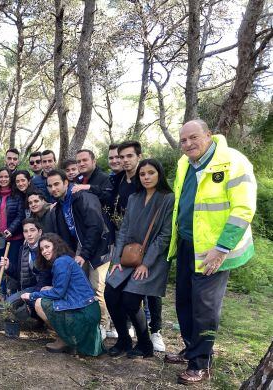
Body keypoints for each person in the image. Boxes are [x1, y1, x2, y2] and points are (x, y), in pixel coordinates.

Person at [164, 120, 257, 385]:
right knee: (184, 301)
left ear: (209, 135)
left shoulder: (233, 161)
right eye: (183, 140)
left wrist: (221, 249)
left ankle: (201, 364)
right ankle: (190, 349)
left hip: (215, 250)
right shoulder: (185, 163)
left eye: (194, 137)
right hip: (186, 244)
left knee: (204, 308)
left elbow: (243, 209)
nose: (188, 144)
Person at [105, 159, 174, 359]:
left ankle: (145, 344)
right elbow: (124, 229)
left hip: (153, 259)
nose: (146, 177)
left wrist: (146, 263)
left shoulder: (168, 198)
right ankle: (124, 340)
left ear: (159, 174)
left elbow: (165, 236)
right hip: (128, 256)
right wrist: (117, 259)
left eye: (150, 173)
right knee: (111, 293)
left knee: (130, 299)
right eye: (142, 174)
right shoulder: (135, 198)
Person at [44, 169, 111, 336]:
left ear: (66, 183)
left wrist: (84, 254)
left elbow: (95, 227)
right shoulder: (59, 207)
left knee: (97, 288)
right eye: (50, 186)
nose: (53, 188)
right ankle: (88, 325)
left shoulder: (83, 197)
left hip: (98, 250)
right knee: (82, 288)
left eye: (57, 184)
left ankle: (103, 326)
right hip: (79, 251)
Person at [20, 233, 104, 356]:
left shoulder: (61, 262)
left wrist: (31, 295)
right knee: (44, 292)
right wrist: (50, 288)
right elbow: (66, 287)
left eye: (47, 247)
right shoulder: (64, 260)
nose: (44, 251)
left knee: (39, 303)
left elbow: (59, 292)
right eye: (42, 249)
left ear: (56, 246)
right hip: (87, 307)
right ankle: (67, 338)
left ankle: (65, 338)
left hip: (84, 311)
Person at [0, 167, 25, 295]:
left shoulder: (17, 195)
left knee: (11, 266)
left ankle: (13, 295)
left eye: (6, 177)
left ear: (10, 178)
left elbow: (20, 215)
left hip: (14, 238)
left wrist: (11, 229)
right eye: (1, 177)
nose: (3, 179)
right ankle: (1, 295)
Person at [0, 219, 51, 305]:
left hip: (45, 290)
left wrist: (31, 296)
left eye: (32, 230)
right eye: (25, 231)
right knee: (8, 304)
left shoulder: (46, 250)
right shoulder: (23, 249)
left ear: (40, 232)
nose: (29, 234)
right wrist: (9, 267)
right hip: (27, 289)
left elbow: (45, 278)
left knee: (13, 304)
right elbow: (20, 275)